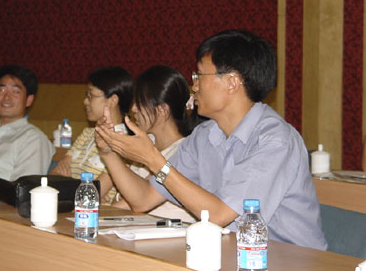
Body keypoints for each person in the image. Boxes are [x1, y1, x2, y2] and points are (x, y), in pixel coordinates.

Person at [96, 30, 327, 250]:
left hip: (291, 262)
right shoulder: (204, 136)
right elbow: (143, 199)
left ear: (231, 82)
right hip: (230, 254)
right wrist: (109, 152)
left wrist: (154, 160)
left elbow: (219, 215)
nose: (194, 86)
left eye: (199, 76)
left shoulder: (275, 141)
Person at [113, 65, 201, 222]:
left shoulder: (184, 150)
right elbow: (119, 200)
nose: (133, 109)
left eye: (140, 103)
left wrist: (108, 153)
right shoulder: (147, 142)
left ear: (162, 110)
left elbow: (128, 204)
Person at [50, 66, 133, 204]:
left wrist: (67, 183)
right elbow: (52, 179)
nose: (85, 101)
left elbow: (90, 195)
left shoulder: (126, 143)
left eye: (91, 96)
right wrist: (84, 190)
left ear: (113, 100)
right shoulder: (86, 134)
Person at [0, 65, 54, 181]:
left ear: (28, 100)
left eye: (15, 91)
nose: (6, 97)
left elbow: (23, 187)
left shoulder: (34, 139)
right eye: (1, 90)